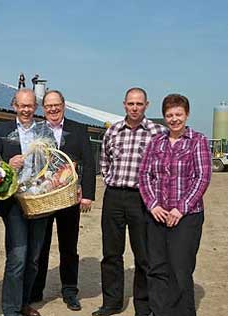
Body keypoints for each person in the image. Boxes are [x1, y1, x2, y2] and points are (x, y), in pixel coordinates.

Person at [95, 87, 166, 316]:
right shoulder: (113, 130)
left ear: (147, 105)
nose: (134, 108)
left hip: (142, 198)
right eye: (131, 103)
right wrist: (109, 180)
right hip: (114, 196)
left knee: (143, 255)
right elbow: (104, 160)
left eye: (139, 104)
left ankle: (143, 306)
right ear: (124, 104)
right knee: (111, 253)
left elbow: (164, 167)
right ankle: (112, 303)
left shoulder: (157, 132)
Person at [139, 94, 211, 316]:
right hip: (158, 215)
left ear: (187, 114)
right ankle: (159, 311)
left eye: (178, 114)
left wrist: (181, 208)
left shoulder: (197, 141)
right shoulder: (156, 142)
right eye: (169, 115)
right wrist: (153, 205)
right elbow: (144, 176)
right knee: (157, 268)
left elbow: (202, 178)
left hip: (187, 217)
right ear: (164, 117)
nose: (174, 119)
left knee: (180, 268)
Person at [30, 90, 96, 311]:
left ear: (64, 105)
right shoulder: (36, 130)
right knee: (41, 245)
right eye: (48, 106)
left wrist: (87, 194)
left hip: (69, 199)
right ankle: (36, 290)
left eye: (56, 105)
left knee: (69, 246)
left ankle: (69, 290)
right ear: (43, 108)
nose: (53, 109)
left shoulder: (78, 129)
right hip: (44, 199)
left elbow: (89, 161)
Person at [0, 88, 49, 316]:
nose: (26, 110)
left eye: (30, 106)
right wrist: (7, 163)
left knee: (34, 258)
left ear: (35, 107)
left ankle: (24, 303)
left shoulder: (44, 131)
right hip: (15, 202)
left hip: (40, 200)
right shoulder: (1, 131)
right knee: (18, 256)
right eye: (21, 105)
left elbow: (53, 161)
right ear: (14, 106)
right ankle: (10, 309)